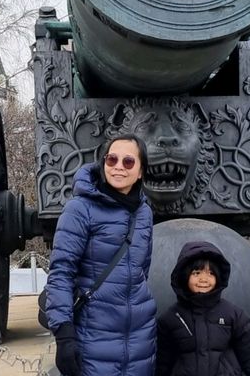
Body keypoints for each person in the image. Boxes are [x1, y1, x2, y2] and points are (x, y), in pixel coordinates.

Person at [44, 134, 157, 376]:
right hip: (94, 332)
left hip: (138, 335)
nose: (118, 167)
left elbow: (141, 270)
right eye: (112, 159)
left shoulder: (144, 213)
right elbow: (61, 273)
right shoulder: (80, 209)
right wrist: (64, 334)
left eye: (128, 162)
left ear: (140, 172)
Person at [156, 241, 250, 376]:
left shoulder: (234, 315)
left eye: (210, 273)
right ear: (185, 276)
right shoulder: (171, 318)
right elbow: (162, 362)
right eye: (196, 273)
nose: (204, 279)